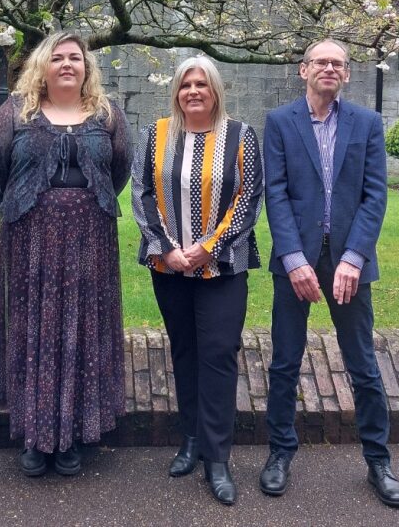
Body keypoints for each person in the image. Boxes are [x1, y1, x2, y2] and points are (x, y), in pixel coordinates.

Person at [259, 39, 399, 508]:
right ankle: (280, 452)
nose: (329, 68)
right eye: (320, 62)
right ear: (303, 70)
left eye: (337, 63)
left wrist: (354, 257)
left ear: (346, 74)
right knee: (284, 363)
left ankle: (378, 462)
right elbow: (275, 194)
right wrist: (294, 259)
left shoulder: (367, 123)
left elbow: (374, 195)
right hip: (296, 262)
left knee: (363, 365)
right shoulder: (280, 123)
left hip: (350, 263)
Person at [0, 31, 131, 478]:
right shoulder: (15, 111)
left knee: (83, 329)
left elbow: (119, 169)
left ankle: (72, 436)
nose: (67, 64)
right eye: (58, 58)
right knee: (34, 330)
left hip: (91, 239)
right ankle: (35, 436)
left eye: (75, 58)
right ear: (43, 66)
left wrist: (83, 205)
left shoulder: (107, 114)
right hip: (30, 239)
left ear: (86, 67)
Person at [131, 55, 263, 506]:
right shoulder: (157, 134)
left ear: (215, 90)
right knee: (184, 350)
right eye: (186, 84)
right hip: (169, 267)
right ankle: (189, 438)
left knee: (219, 355)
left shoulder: (241, 135)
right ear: (177, 91)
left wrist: (208, 247)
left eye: (201, 84)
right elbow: (142, 192)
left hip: (222, 266)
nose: (193, 91)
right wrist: (167, 248)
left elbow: (248, 198)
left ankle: (217, 457)